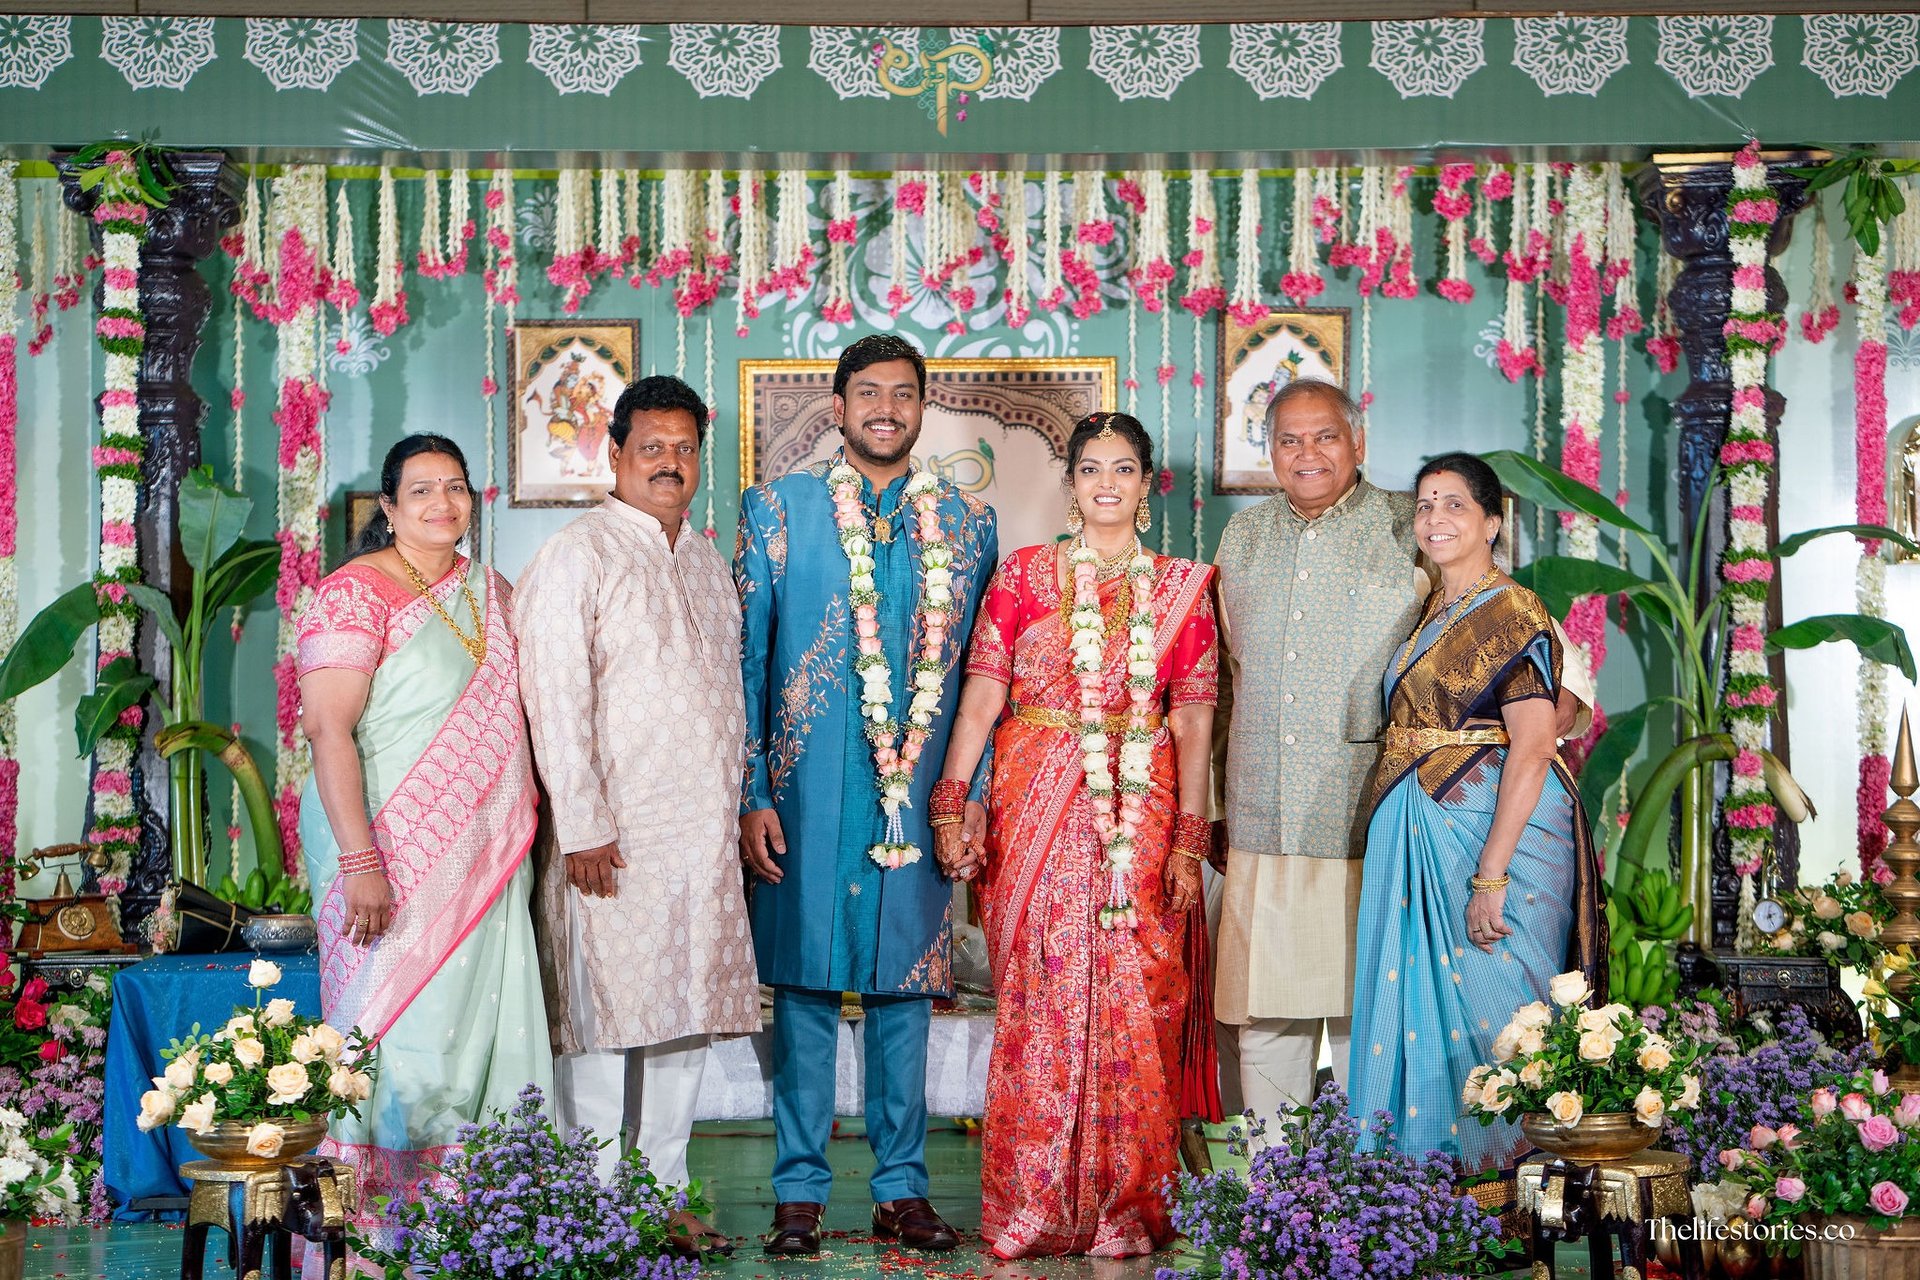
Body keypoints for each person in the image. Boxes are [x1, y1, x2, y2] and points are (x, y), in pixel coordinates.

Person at [1209, 380, 1591, 1128]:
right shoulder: (1242, 539)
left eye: (1325, 436)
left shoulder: (1412, 523)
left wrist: (1527, 734)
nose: (1307, 453)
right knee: (1264, 1018)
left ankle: (1373, 1193)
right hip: (1261, 814)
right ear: (1269, 452)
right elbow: (1223, 679)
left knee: (1377, 1013)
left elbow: (1542, 667)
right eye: (1289, 440)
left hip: (1378, 819)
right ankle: (1272, 1204)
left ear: (1359, 443)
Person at [734, 334, 998, 1256]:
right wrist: (752, 792)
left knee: (904, 986)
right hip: (805, 793)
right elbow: (749, 661)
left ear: (923, 407)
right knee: (803, 990)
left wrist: (967, 798)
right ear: (837, 405)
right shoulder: (775, 511)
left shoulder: (968, 524)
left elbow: (980, 675)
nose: (886, 408)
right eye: (868, 392)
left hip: (918, 790)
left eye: (904, 393)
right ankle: (798, 1194)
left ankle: (902, 1190)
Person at [934, 412, 1218, 1259]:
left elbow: (1195, 721)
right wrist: (953, 800)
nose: (1104, 484)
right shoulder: (1022, 574)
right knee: (1041, 997)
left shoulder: (1182, 588)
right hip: (1035, 806)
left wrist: (1190, 839)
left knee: (1142, 996)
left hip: (1143, 808)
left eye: (1123, 469)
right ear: (1070, 483)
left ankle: (1126, 1207)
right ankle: (1032, 1204)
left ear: (1145, 483)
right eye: (1090, 468)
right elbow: (982, 701)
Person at [516, 376, 759, 1257]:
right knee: (603, 1020)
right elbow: (553, 695)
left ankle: (659, 1201)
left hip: (699, 836)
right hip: (612, 836)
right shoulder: (576, 554)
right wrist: (580, 823)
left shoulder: (701, 556)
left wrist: (735, 812)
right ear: (613, 454)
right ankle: (591, 1207)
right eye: (651, 447)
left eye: (685, 448)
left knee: (681, 1018)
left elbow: (724, 696)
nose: (670, 463)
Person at [295, 434, 550, 1236]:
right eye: (422, 492)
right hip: (386, 851)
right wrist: (361, 859)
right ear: (389, 507)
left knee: (482, 1029)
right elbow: (327, 732)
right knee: (396, 1036)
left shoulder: (495, 593)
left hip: (489, 855)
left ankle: (485, 1214)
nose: (443, 505)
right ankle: (376, 1225)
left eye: (457, 489)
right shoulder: (353, 595)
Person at [1345, 452, 1606, 1172]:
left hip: (1492, 831)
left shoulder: (1512, 611)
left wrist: (1490, 874)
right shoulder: (1434, 611)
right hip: (1421, 821)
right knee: (1425, 1013)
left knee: (1499, 1015)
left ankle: (1503, 1195)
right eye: (1425, 504)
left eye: (1455, 504)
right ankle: (1419, 1196)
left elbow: (1531, 744)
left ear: (1493, 521)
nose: (1436, 518)